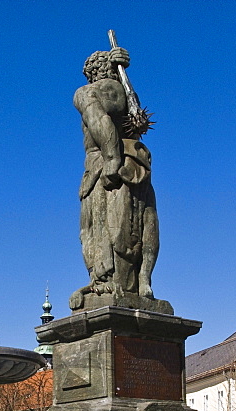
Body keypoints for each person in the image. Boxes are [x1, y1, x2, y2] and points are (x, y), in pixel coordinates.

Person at [70, 46, 158, 308]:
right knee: (142, 224)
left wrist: (111, 159)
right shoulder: (128, 95)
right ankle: (143, 281)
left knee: (96, 229)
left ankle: (104, 281)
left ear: (91, 71)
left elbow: (99, 122)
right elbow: (137, 123)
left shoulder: (87, 92)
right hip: (137, 163)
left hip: (104, 166)